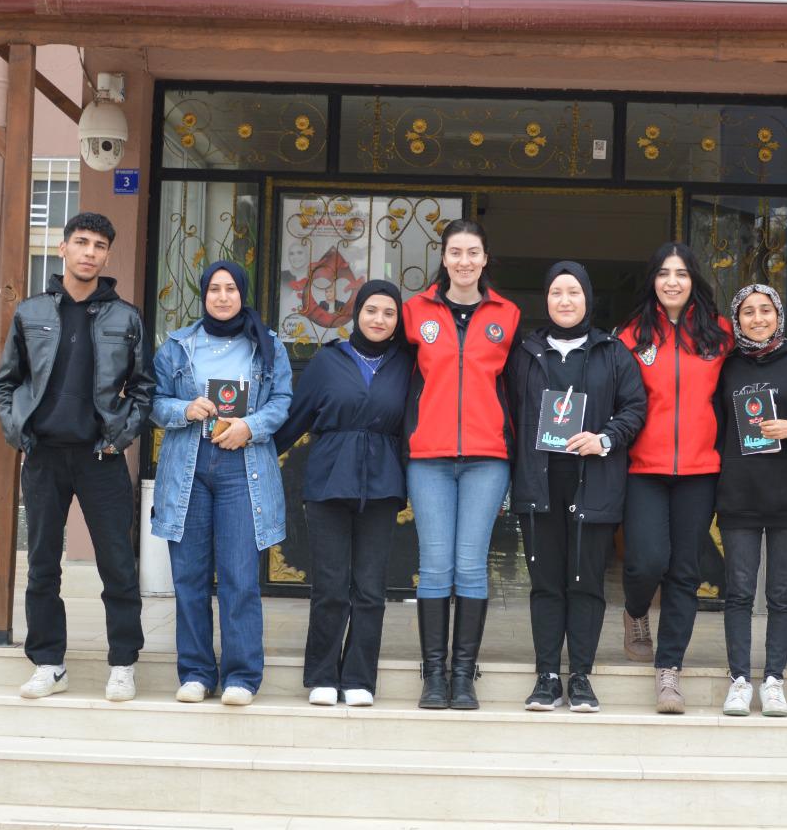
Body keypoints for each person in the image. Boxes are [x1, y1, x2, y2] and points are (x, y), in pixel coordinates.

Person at [0, 212, 153, 703]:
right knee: (43, 564)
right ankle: (49, 663)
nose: (89, 252)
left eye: (99, 245)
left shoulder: (126, 318)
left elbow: (143, 389)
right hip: (44, 456)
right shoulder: (31, 312)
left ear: (107, 255)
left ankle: (122, 663)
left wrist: (120, 436)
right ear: (63, 248)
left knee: (118, 565)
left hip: (100, 456)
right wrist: (18, 432)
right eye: (81, 242)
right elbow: (6, 383)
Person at [150, 260, 292, 707]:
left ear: (242, 293)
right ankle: (195, 672)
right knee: (189, 578)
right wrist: (183, 410)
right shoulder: (178, 346)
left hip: (243, 469)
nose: (223, 296)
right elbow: (153, 401)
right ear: (204, 294)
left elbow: (283, 400)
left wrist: (250, 426)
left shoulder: (268, 345)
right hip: (188, 469)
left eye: (231, 288)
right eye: (214, 288)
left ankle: (241, 676)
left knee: (239, 577)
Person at [507, 262, 647, 713]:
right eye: (556, 292)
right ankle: (548, 676)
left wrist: (604, 438)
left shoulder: (612, 352)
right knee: (546, 583)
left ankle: (581, 676)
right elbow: (507, 411)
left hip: (594, 481)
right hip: (540, 482)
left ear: (588, 298)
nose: (565, 300)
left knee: (586, 582)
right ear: (546, 300)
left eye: (574, 292)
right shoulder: (525, 354)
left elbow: (635, 407)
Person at [274, 281, 412, 709]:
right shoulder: (328, 361)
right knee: (331, 586)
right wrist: (252, 454)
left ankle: (358, 679)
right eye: (371, 310)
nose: (379, 320)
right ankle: (322, 675)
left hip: (382, 485)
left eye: (389, 313)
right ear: (356, 312)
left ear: (398, 320)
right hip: (329, 483)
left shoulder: (408, 364)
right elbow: (293, 419)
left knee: (370, 588)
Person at [402, 219, 521, 711]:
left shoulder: (507, 315)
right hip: (428, 457)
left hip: (487, 458)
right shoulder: (415, 312)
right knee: (435, 567)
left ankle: (463, 676)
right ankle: (433, 677)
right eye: (456, 252)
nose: (464, 261)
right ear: (444, 257)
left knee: (470, 567)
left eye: (473, 252)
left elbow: (518, 388)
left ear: (485, 258)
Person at [616, 242, 734, 715]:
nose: (672, 281)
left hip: (700, 470)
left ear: (693, 280)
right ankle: (635, 610)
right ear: (653, 280)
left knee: (685, 571)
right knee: (646, 561)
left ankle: (669, 670)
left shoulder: (719, 334)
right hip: (644, 467)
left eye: (681, 273)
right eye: (664, 273)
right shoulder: (631, 335)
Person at [716, 282, 787, 718]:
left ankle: (774, 680)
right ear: (737, 320)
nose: (757, 318)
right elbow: (716, 428)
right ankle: (740, 680)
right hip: (739, 494)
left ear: (779, 315)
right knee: (739, 593)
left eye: (766, 310)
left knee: (781, 595)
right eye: (748, 312)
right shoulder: (726, 366)